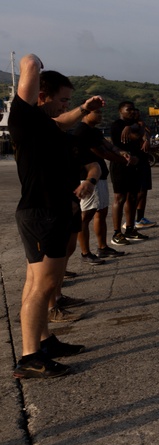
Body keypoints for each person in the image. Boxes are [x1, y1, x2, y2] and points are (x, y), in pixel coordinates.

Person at [9, 53, 101, 378]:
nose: (66, 106)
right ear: (41, 97)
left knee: (41, 283)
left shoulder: (49, 127)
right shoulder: (24, 118)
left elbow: (64, 121)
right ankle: (30, 356)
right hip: (40, 213)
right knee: (42, 286)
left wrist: (83, 109)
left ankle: (44, 341)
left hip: (51, 212)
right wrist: (34, 63)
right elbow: (29, 64)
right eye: (62, 100)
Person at [74, 108, 130, 263]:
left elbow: (109, 146)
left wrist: (121, 152)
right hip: (87, 178)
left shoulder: (95, 131)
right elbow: (102, 152)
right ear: (86, 114)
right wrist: (125, 161)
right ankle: (85, 253)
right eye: (97, 112)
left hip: (100, 176)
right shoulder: (82, 131)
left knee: (101, 212)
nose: (100, 115)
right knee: (86, 215)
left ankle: (102, 247)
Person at [109, 101, 150, 243]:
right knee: (119, 198)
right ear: (120, 110)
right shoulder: (117, 126)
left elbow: (142, 131)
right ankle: (116, 232)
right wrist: (135, 128)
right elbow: (136, 136)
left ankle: (130, 228)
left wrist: (133, 126)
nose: (132, 111)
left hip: (134, 165)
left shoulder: (134, 124)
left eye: (133, 109)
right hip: (120, 165)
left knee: (132, 197)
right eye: (128, 109)